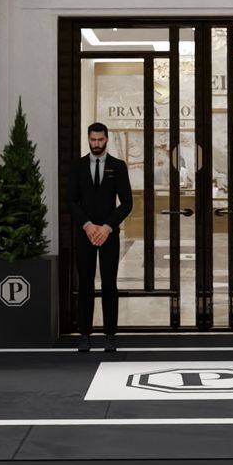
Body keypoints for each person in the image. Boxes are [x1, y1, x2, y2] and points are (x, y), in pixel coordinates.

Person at [67, 122, 132, 352]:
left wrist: (106, 227)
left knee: (109, 284)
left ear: (107, 139)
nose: (96, 144)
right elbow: (71, 201)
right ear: (88, 139)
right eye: (93, 140)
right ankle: (84, 334)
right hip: (85, 234)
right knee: (85, 284)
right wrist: (87, 226)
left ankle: (110, 335)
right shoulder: (78, 166)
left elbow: (127, 203)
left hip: (108, 235)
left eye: (100, 140)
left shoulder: (118, 166)